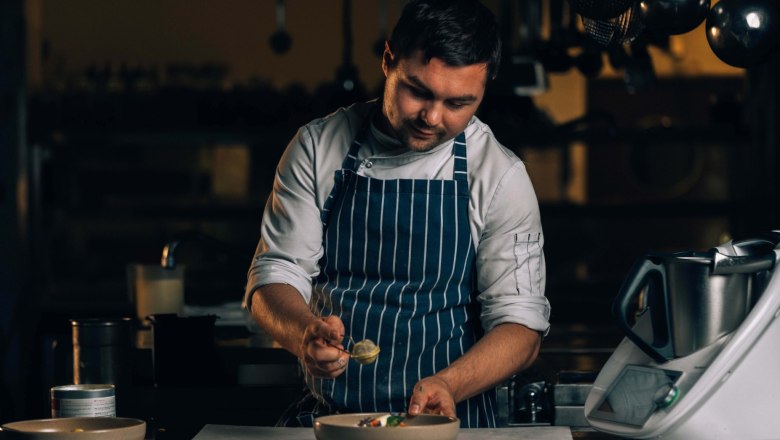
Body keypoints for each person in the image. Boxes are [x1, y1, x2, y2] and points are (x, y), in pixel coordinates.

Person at [243, 0, 550, 428]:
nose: (432, 117)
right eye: (419, 91)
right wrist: (303, 335)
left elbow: (521, 328)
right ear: (389, 60)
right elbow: (274, 275)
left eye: (459, 103)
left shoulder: (499, 175)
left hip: (453, 424)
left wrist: (449, 384)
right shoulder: (317, 147)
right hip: (333, 422)